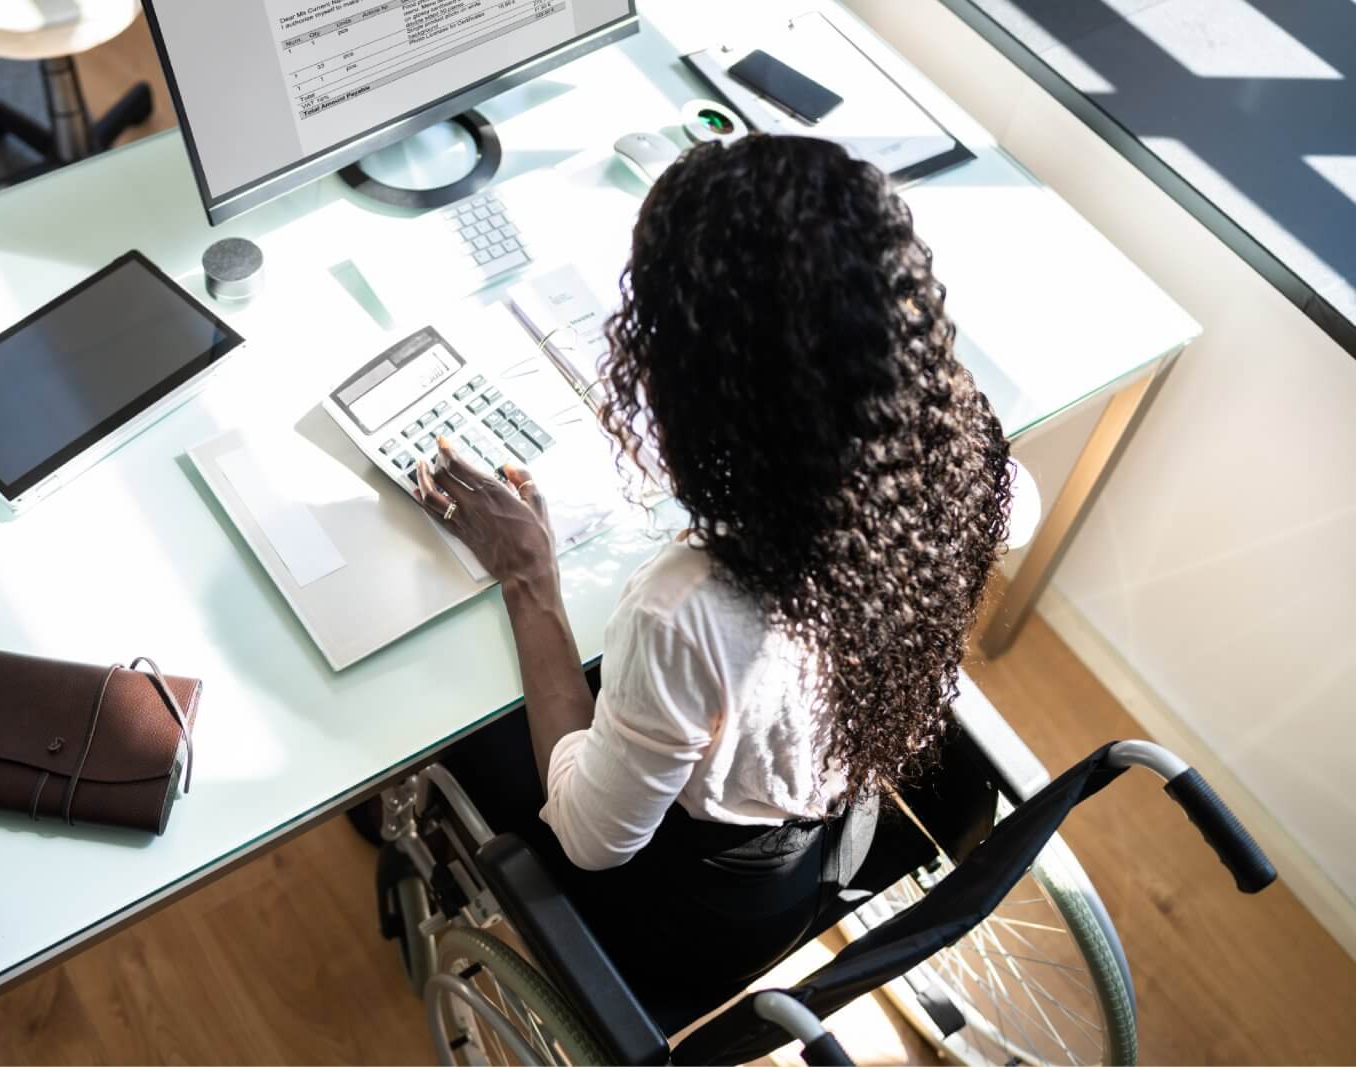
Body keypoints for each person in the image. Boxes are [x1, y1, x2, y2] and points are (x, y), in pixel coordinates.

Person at [410, 133, 1013, 1017]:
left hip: (691, 913)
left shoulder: (687, 610)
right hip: (833, 817)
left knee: (452, 717)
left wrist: (529, 575)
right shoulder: (965, 455)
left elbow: (590, 839)